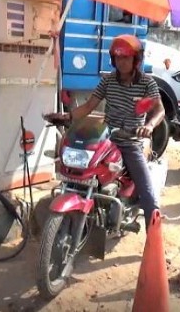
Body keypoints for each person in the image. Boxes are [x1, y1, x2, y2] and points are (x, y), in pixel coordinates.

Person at [46, 34, 165, 225]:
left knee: (148, 194)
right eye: (117, 57)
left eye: (126, 57)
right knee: (81, 171)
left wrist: (149, 126)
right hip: (107, 139)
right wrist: (68, 117)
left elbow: (160, 110)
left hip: (130, 142)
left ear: (136, 59)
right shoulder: (108, 81)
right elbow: (89, 106)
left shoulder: (146, 83)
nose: (121, 62)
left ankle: (154, 238)